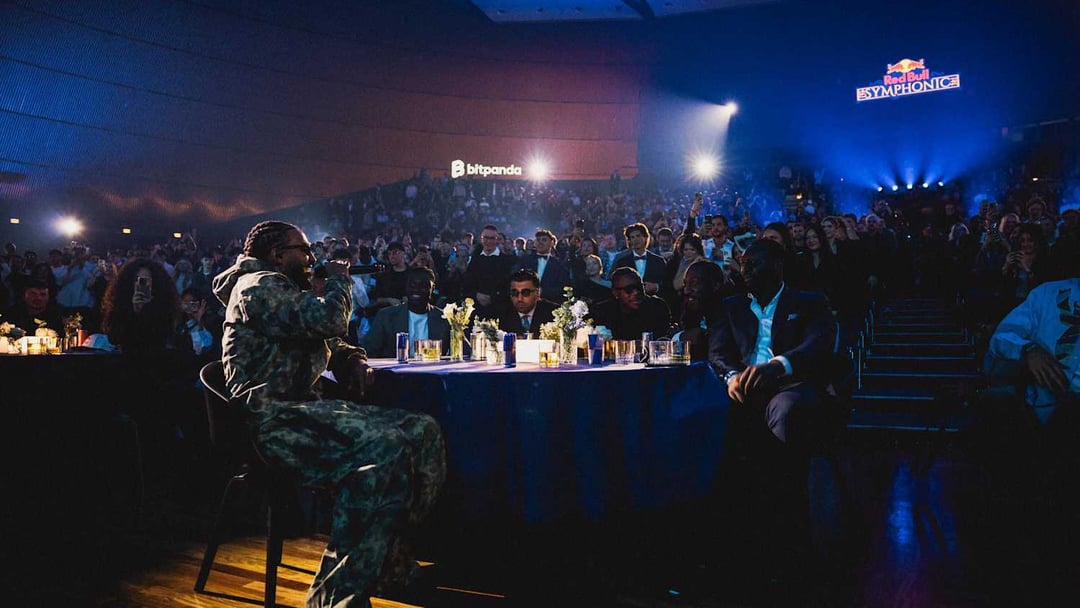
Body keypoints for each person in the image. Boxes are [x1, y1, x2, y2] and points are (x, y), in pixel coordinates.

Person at [213, 220, 447, 608]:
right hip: (273, 423)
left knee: (422, 430)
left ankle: (389, 562)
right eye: (304, 251)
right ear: (278, 255)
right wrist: (340, 280)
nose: (312, 259)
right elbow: (329, 320)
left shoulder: (281, 289)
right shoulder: (256, 287)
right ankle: (335, 596)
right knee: (384, 448)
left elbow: (325, 338)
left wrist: (352, 357)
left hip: (306, 414)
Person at [706, 239, 836, 583]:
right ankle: (718, 535)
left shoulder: (809, 302)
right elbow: (718, 353)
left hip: (789, 384)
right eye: (743, 264)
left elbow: (817, 344)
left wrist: (778, 366)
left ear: (777, 265)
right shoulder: (730, 306)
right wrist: (732, 378)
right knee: (705, 417)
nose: (745, 270)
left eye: (754, 263)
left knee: (787, 412)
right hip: (742, 388)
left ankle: (786, 526)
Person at [362, 266, 450, 358]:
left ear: (432, 288)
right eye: (412, 285)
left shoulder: (444, 319)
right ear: (406, 287)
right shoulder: (386, 317)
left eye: (423, 286)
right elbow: (368, 351)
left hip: (432, 366)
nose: (417, 290)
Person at [589, 267, 672, 340]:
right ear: (615, 292)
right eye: (629, 289)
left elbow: (662, 340)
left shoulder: (657, 307)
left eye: (639, 287)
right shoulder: (602, 311)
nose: (636, 292)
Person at [512, 229, 572, 304]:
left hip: (550, 304)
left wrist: (544, 291)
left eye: (544, 240)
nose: (540, 242)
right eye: (538, 240)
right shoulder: (524, 260)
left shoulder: (559, 265)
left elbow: (563, 288)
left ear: (552, 243)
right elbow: (514, 279)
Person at [611, 222, 668, 298]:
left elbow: (667, 285)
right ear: (629, 241)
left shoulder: (659, 261)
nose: (636, 240)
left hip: (652, 302)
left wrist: (656, 287)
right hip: (629, 302)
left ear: (646, 238)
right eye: (632, 237)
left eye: (638, 236)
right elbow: (615, 284)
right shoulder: (622, 262)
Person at [499, 268, 558, 338]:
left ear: (538, 293)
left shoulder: (554, 314)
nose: (519, 299)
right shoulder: (501, 314)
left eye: (525, 293)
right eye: (515, 293)